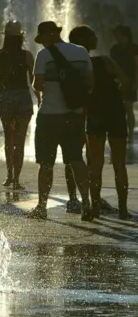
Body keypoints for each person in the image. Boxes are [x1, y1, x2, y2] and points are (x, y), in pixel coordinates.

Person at [30, 21, 94, 221]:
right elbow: (90, 83)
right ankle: (86, 203)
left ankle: (41, 206)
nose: (41, 44)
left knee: (46, 163)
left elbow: (38, 85)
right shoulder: (81, 52)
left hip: (49, 116)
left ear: (49, 35)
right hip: (74, 117)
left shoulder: (44, 55)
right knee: (76, 159)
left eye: (42, 39)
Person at [71, 25, 131, 219]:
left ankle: (95, 207)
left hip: (94, 115)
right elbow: (126, 82)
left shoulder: (76, 67)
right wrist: (115, 94)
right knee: (119, 164)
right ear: (86, 41)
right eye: (93, 36)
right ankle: (123, 210)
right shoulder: (105, 61)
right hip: (115, 113)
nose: (97, 38)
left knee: (94, 164)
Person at [0, 21, 36, 190]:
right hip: (23, 97)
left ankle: (9, 176)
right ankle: (16, 178)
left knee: (9, 139)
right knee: (20, 141)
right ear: (21, 37)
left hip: (5, 97)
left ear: (5, 37)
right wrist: (41, 99)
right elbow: (34, 81)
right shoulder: (27, 56)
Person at [110, 25, 138, 145]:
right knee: (116, 108)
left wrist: (136, 82)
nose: (116, 37)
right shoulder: (114, 49)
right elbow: (111, 66)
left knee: (128, 107)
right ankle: (119, 132)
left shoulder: (134, 48)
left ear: (125, 35)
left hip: (129, 81)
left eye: (118, 35)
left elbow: (137, 65)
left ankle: (130, 134)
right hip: (116, 81)